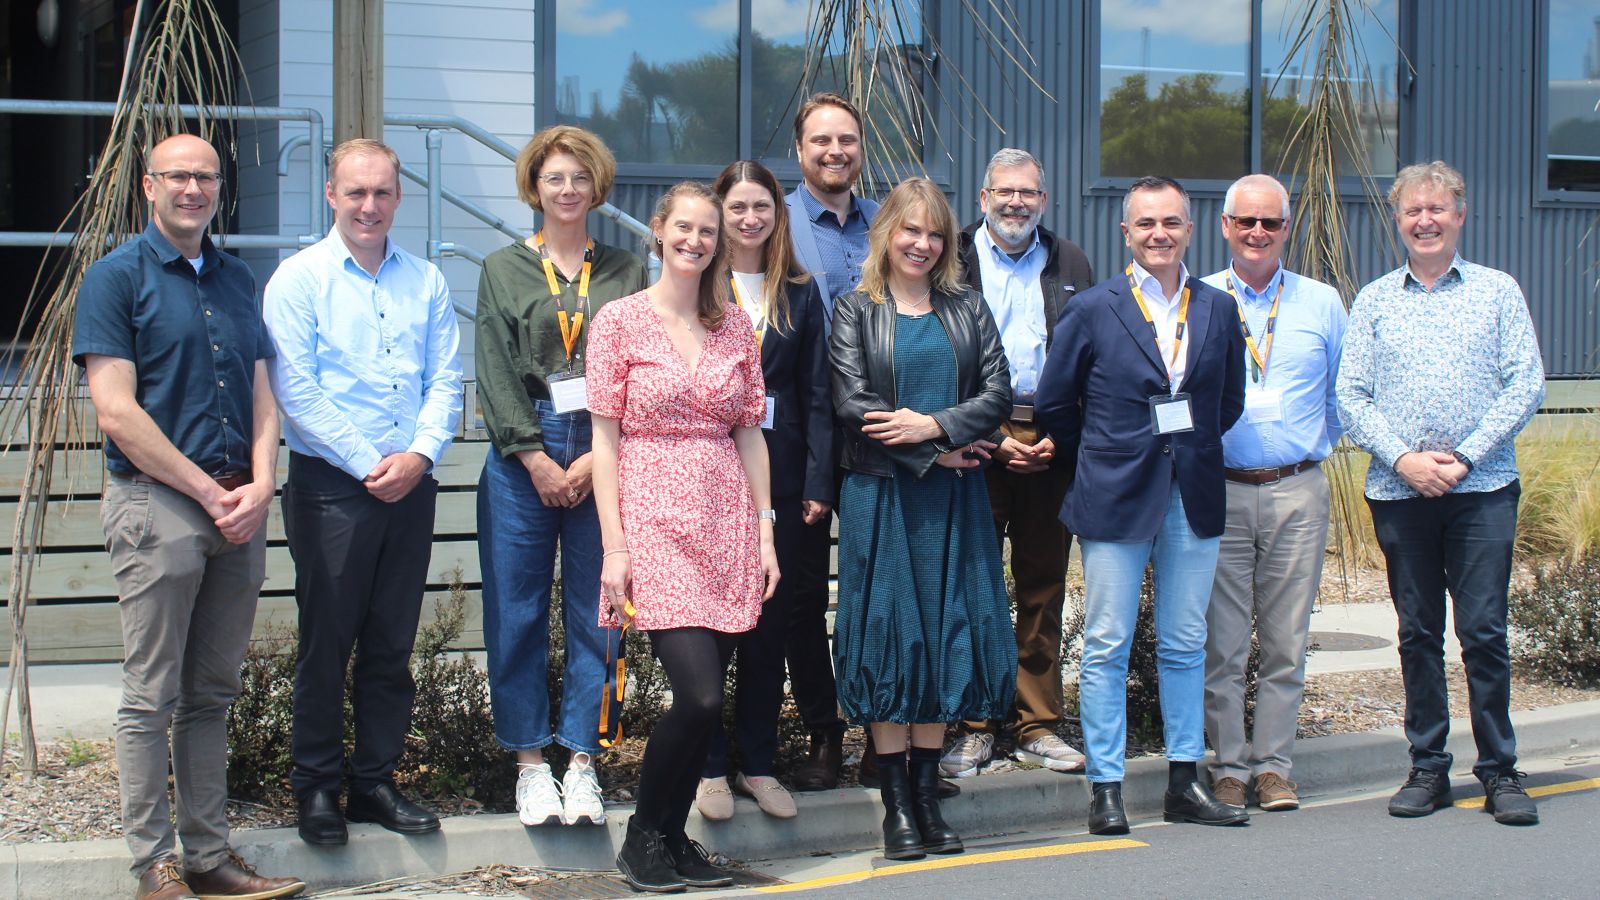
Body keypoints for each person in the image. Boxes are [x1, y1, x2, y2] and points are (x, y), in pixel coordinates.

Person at [73, 134, 306, 900]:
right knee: (152, 696)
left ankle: (208, 859)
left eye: (206, 176)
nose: (193, 188)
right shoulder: (116, 279)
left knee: (212, 694)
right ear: (149, 185)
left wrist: (263, 481)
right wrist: (209, 495)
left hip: (239, 507)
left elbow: (262, 389)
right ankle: (154, 868)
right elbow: (116, 411)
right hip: (160, 506)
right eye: (178, 175)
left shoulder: (240, 279)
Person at [264, 138, 464, 846]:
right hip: (332, 488)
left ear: (399, 197)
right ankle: (315, 788)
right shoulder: (297, 280)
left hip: (411, 482)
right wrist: (368, 462)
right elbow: (295, 388)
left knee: (390, 644)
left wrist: (418, 455)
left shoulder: (427, 281)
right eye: (356, 192)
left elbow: (445, 379)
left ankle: (376, 781)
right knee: (328, 644)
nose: (369, 206)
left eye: (382, 193)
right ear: (330, 195)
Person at [1035, 175, 1248, 835]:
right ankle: (1107, 788)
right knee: (1105, 644)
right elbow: (1053, 404)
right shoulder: (1094, 308)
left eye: (1172, 222)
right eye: (1146, 223)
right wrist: (1107, 455)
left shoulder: (1216, 308)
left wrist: (1186, 448)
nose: (1160, 234)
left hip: (1194, 493)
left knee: (1186, 643)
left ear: (1190, 229)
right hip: (1115, 495)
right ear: (1126, 232)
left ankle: (1185, 781)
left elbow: (1227, 402)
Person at [1336, 161, 1545, 826]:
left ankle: (1500, 772)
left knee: (1483, 631)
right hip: (1399, 493)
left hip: (1481, 489)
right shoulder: (1373, 299)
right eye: (1412, 211)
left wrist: (1463, 457)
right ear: (1398, 220)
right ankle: (1428, 767)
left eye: (1438, 209)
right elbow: (1351, 395)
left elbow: (1526, 383)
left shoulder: (1497, 292)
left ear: (1460, 215)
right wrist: (1403, 459)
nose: (1424, 220)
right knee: (1418, 632)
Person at [586, 182, 780, 892]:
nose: (696, 240)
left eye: (708, 231)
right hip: (653, 519)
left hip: (726, 517)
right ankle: (642, 837)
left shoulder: (734, 326)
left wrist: (764, 531)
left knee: (712, 696)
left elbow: (750, 433)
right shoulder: (618, 322)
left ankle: (671, 839)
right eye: (684, 228)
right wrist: (615, 545)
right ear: (659, 233)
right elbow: (604, 440)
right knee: (696, 695)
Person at [829, 177, 1016, 860]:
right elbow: (852, 401)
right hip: (883, 494)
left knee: (944, 635)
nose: (922, 243)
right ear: (887, 233)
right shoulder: (855, 309)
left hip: (956, 503)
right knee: (887, 639)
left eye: (935, 233)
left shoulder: (967, 307)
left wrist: (936, 424)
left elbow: (998, 393)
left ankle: (929, 795)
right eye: (910, 230)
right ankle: (895, 807)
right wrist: (932, 455)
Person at [475, 125, 648, 828]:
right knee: (515, 613)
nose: (568, 189)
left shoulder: (627, 270)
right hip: (527, 453)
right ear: (534, 188)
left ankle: (582, 759)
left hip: (603, 446)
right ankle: (528, 764)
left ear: (597, 186)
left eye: (580, 177)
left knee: (599, 610)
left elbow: (639, 365)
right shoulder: (503, 268)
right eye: (554, 179)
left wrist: (590, 459)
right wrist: (536, 456)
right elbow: (492, 368)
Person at [942, 148, 1095, 779]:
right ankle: (976, 725)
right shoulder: (953, 257)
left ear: (1043, 200)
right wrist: (984, 432)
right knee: (974, 588)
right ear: (982, 199)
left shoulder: (1070, 261)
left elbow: (1087, 354)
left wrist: (1063, 432)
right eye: (1003, 192)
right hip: (976, 438)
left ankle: (1037, 724)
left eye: (1027, 193)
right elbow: (935, 348)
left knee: (1043, 587)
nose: (1015, 203)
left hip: (1050, 437)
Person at [1200, 174, 1347, 813]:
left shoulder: (1321, 303)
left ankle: (1275, 767)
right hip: (1221, 493)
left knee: (1287, 641)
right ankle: (1229, 767)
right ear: (1226, 226)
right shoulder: (1201, 298)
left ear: (1287, 229)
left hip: (1297, 492)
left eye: (1271, 223)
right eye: (1246, 222)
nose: (1257, 233)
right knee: (1222, 643)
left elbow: (1342, 394)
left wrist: (1311, 448)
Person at [693, 160, 832, 822]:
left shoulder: (800, 293)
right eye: (738, 207)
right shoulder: (694, 287)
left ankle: (757, 761)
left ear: (779, 215)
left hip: (782, 472)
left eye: (762, 207)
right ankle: (708, 765)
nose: (750, 219)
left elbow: (818, 395)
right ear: (719, 213)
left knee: (768, 629)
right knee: (713, 628)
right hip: (705, 471)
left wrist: (817, 478)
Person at [783, 91, 880, 791]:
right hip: (805, 442)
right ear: (800, 150)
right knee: (803, 595)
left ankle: (886, 733)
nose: (835, 152)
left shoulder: (889, 225)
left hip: (884, 438)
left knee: (879, 592)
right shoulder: (773, 223)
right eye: (821, 141)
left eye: (846, 140)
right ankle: (823, 733)